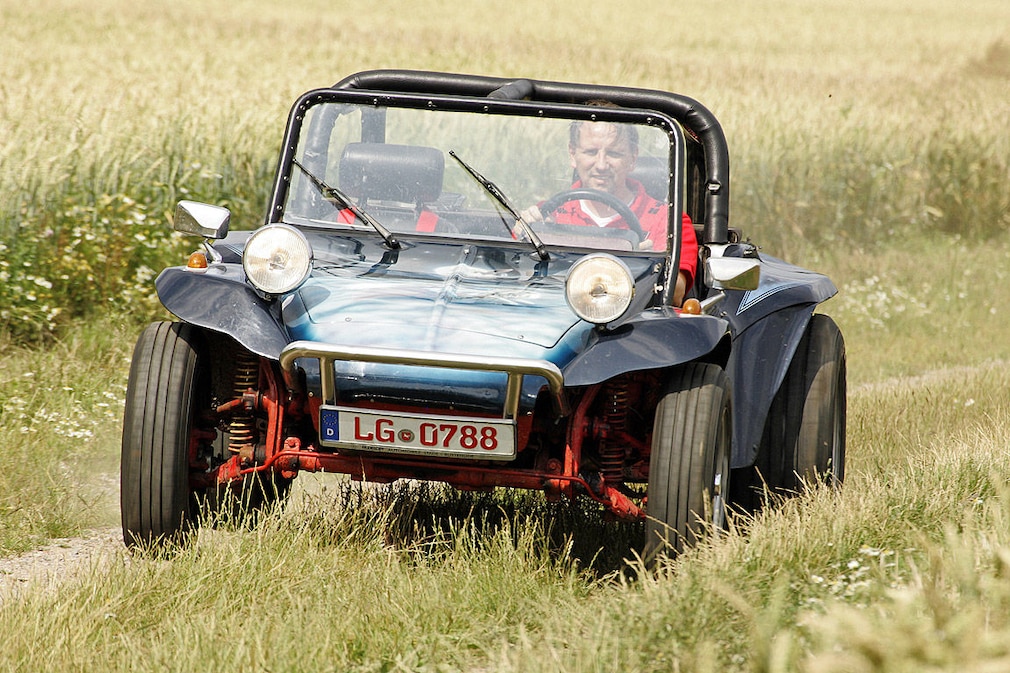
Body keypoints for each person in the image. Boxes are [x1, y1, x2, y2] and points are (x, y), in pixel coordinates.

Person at [523, 115, 698, 306]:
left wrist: (645, 264)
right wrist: (521, 234)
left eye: (614, 154)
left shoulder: (668, 221)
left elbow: (675, 294)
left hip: (630, 328)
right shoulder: (546, 216)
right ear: (572, 154)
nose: (601, 165)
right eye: (591, 152)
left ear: (632, 158)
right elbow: (509, 280)